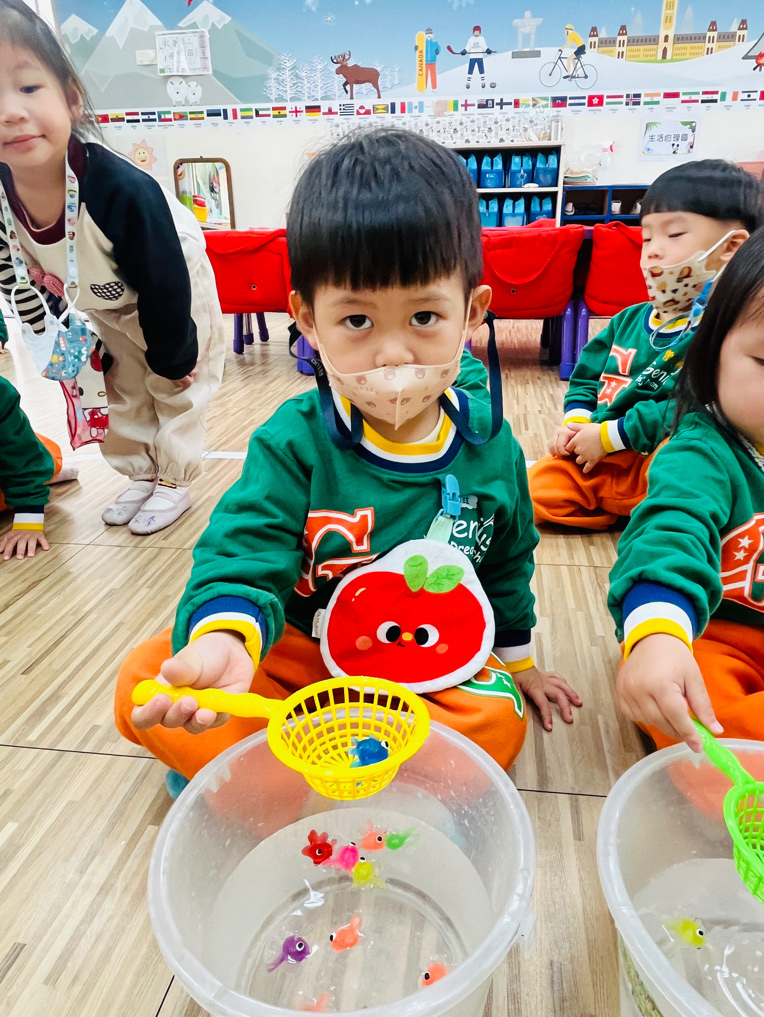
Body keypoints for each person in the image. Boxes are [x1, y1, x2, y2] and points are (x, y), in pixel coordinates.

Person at [115, 129, 580, 790]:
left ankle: (274, 774)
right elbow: (244, 547)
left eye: (424, 316)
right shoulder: (293, 440)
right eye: (357, 321)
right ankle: (330, 769)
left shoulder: (491, 445)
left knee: (496, 720)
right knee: (145, 676)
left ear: (472, 312)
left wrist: (519, 660)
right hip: (303, 651)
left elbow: (507, 560)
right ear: (307, 318)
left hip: (427, 660)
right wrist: (225, 638)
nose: (393, 353)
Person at [0, 0, 225, 535]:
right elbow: (14, 270)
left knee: (175, 383)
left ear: (71, 98)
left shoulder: (121, 189)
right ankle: (141, 472)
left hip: (170, 285)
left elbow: (164, 281)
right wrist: (53, 332)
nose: (9, 111)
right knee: (120, 385)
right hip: (99, 299)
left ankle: (173, 478)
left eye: (28, 87)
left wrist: (174, 355)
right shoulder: (3, 194)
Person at [528, 160, 761, 530]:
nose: (651, 251)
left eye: (674, 234)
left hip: (661, 451)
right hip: (602, 449)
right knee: (534, 492)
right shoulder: (627, 320)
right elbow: (585, 378)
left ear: (730, 247)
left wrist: (610, 436)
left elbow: (691, 406)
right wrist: (577, 424)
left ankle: (648, 509)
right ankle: (625, 506)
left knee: (687, 472)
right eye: (647, 237)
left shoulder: (723, 333)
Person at [608, 226, 764, 754]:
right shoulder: (704, 452)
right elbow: (668, 535)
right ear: (713, 349)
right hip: (711, 633)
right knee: (700, 715)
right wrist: (658, 634)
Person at [0, 374, 78, 558]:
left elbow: (21, 453)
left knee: (44, 458)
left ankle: (46, 474)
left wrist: (28, 519)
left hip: (18, 455)